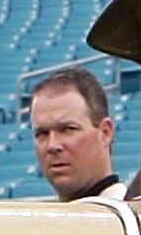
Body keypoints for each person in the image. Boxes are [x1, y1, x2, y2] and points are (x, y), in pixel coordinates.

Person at [30, 67, 125, 201]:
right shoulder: (42, 221)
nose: (52, 146)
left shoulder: (137, 218)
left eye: (68, 129)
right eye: (42, 133)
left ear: (105, 133)